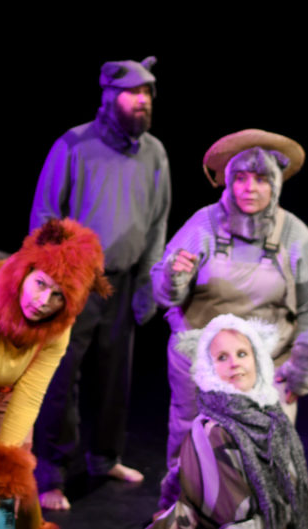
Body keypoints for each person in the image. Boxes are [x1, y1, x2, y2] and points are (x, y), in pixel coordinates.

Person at [30, 56, 171, 509]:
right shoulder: (74, 144)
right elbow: (46, 214)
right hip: (75, 280)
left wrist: (148, 280)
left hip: (124, 279)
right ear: (110, 96)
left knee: (116, 377)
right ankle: (52, 474)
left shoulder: (154, 152)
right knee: (62, 376)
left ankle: (105, 457)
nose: (142, 101)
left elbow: (158, 221)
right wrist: (51, 280)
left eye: (147, 93)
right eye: (133, 93)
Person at [151, 129, 308, 508]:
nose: (249, 188)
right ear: (229, 182)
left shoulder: (294, 232)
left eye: (261, 179)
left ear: (275, 185)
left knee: (269, 454)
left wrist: (300, 371)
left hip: (269, 364)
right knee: (191, 442)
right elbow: (163, 292)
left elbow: (307, 310)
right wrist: (175, 276)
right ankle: (180, 512)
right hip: (201, 358)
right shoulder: (204, 223)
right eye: (241, 178)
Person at [0, 218, 110, 528]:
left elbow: (29, 396)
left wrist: (6, 461)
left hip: (1, 399)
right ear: (24, 272)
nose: (43, 302)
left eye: (58, 295)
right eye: (40, 284)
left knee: (13, 482)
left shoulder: (57, 328)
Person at [149, 313, 308, 528]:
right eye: (222, 357)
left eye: (242, 354)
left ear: (258, 360)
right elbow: (231, 516)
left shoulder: (272, 416)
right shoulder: (212, 432)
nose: (234, 363)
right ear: (208, 368)